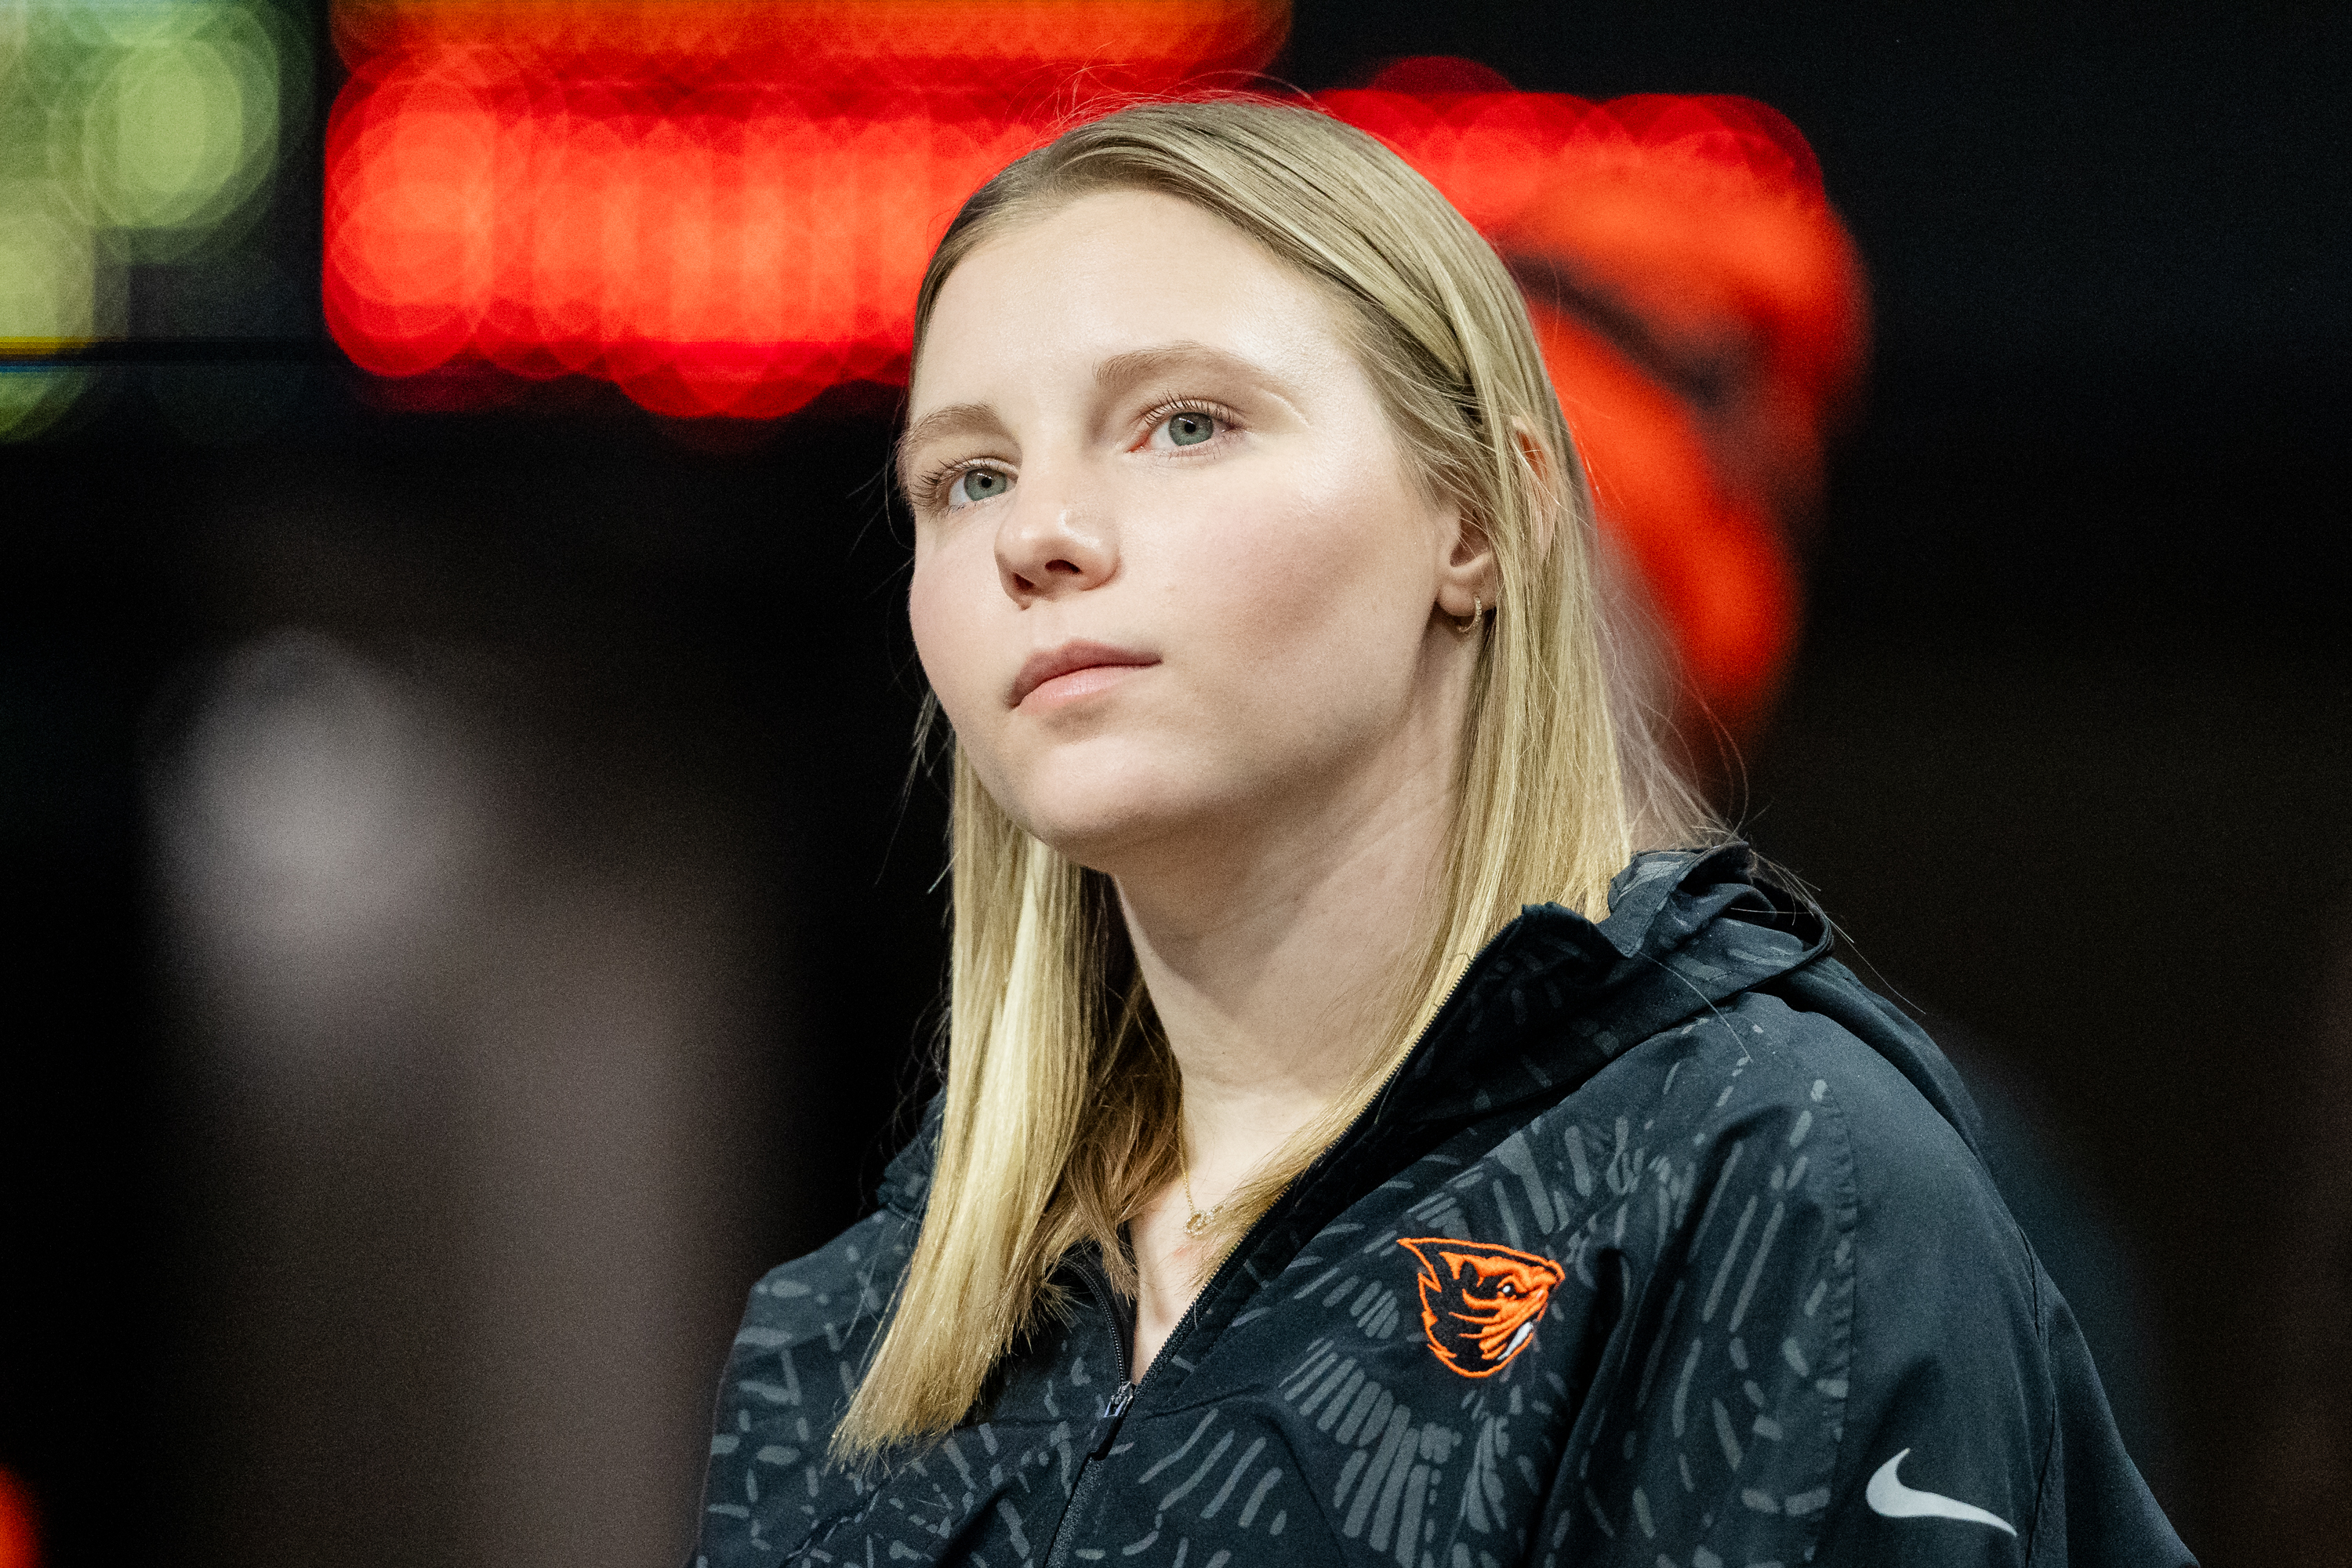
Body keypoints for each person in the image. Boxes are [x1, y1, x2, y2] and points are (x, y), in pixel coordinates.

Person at [693, 98, 2190, 1567]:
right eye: (968, 477)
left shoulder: (1777, 1185)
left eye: (1186, 423)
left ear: (1478, 519)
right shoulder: (852, 1338)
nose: (1038, 536)